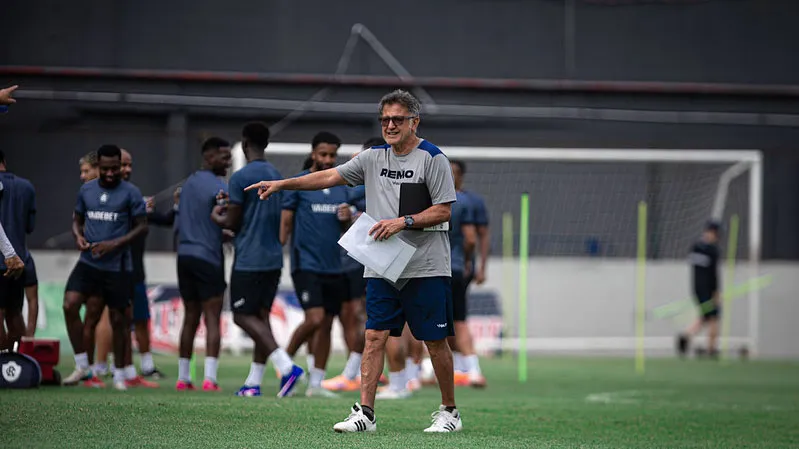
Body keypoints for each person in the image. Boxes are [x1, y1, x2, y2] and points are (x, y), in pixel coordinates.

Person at [246, 89, 462, 433]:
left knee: (434, 341)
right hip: (382, 265)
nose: (390, 125)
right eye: (385, 120)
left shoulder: (433, 158)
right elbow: (328, 176)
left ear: (414, 122)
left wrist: (401, 221)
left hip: (426, 266)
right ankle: (366, 413)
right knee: (374, 336)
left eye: (397, 119)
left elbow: (443, 209)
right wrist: (282, 184)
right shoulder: (372, 158)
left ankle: (450, 411)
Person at [210, 122, 303, 398]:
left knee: (241, 316)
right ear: (266, 144)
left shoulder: (240, 177)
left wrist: (218, 216)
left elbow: (234, 222)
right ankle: (253, 382)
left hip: (250, 257)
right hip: (273, 257)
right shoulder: (275, 174)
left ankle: (286, 366)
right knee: (261, 318)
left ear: (244, 142)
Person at [62, 144, 148, 390]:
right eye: (106, 169)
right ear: (98, 166)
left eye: (115, 169)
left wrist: (114, 244)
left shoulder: (131, 193)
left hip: (117, 266)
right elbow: (77, 220)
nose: (110, 173)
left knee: (119, 320)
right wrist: (78, 236)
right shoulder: (86, 190)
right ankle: (82, 365)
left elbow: (142, 227)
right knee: (70, 305)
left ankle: (120, 373)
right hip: (89, 262)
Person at [281, 131, 352, 398]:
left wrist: (348, 218)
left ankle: (316, 385)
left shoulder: (342, 185)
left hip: (334, 265)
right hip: (306, 263)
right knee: (315, 318)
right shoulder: (300, 184)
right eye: (323, 154)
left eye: (332, 155)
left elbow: (348, 225)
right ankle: (284, 362)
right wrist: (279, 247)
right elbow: (285, 221)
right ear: (313, 153)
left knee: (326, 325)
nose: (328, 159)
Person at [321, 137, 386, 393]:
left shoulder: (362, 186)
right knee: (368, 317)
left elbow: (348, 200)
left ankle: (356, 373)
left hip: (366, 259)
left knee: (364, 316)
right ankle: (388, 374)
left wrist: (353, 213)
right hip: (366, 259)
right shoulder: (384, 181)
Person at [175, 137, 231, 391]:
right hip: (208, 256)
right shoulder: (219, 187)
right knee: (211, 317)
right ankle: (210, 379)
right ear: (208, 157)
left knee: (190, 317)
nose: (228, 160)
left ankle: (183, 378)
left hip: (184, 256)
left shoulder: (187, 185)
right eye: (224, 156)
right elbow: (224, 220)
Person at [449, 159, 487, 387]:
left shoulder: (434, 200)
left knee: (450, 321)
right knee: (456, 321)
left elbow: (475, 237)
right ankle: (468, 370)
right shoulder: (463, 201)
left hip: (439, 268)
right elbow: (471, 238)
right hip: (455, 267)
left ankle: (414, 374)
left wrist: (474, 263)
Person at [0, 150, 35, 349]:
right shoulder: (26, 187)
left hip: (12, 257)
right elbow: (30, 226)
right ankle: (16, 365)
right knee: (14, 313)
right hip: (17, 261)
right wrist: (11, 254)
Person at [677, 220, 722, 359]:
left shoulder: (695, 247)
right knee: (714, 318)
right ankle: (711, 349)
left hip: (696, 289)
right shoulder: (713, 251)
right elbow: (714, 274)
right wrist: (716, 293)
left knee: (705, 318)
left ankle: (686, 336)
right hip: (707, 290)